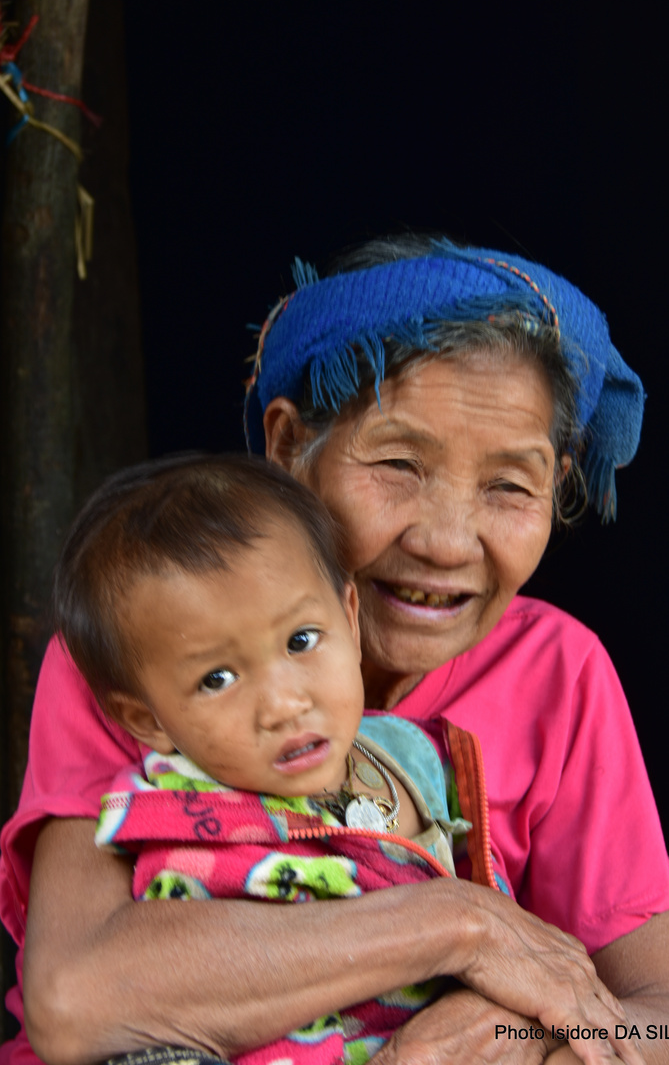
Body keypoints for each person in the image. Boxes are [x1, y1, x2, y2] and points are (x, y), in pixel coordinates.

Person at [2, 236, 669, 1065]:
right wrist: (460, 925)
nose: (450, 542)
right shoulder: (150, 649)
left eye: (510, 486)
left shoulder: (558, 674)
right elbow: (76, 999)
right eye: (399, 463)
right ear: (285, 447)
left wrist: (533, 1037)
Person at [54, 452, 491, 1065]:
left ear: (348, 615)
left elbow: (499, 941)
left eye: (301, 641)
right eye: (217, 678)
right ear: (147, 719)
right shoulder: (165, 807)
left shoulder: (414, 765)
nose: (284, 705)